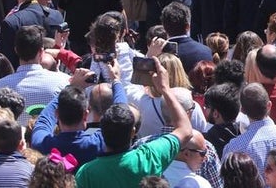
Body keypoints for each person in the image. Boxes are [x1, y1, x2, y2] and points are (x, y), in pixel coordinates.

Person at [74, 55, 192, 188]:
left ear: (102, 131)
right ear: (133, 132)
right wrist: (165, 89)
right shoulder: (148, 157)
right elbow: (186, 130)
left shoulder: (86, 173)